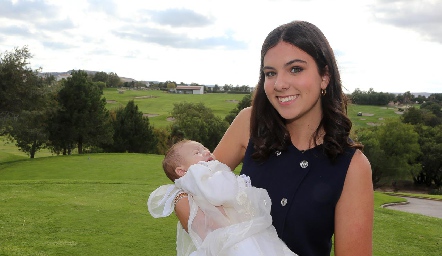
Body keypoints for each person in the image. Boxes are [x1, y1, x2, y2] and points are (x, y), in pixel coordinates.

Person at [179, 20, 373, 255]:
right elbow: (195, 189)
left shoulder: (352, 166)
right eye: (270, 73)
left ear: (324, 76)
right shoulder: (249, 124)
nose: (279, 84)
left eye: (295, 69)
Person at [147, 140, 297, 256]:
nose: (206, 152)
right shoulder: (198, 175)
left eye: (205, 148)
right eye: (197, 152)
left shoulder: (199, 178)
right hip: (236, 239)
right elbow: (221, 194)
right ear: (181, 171)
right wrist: (238, 184)